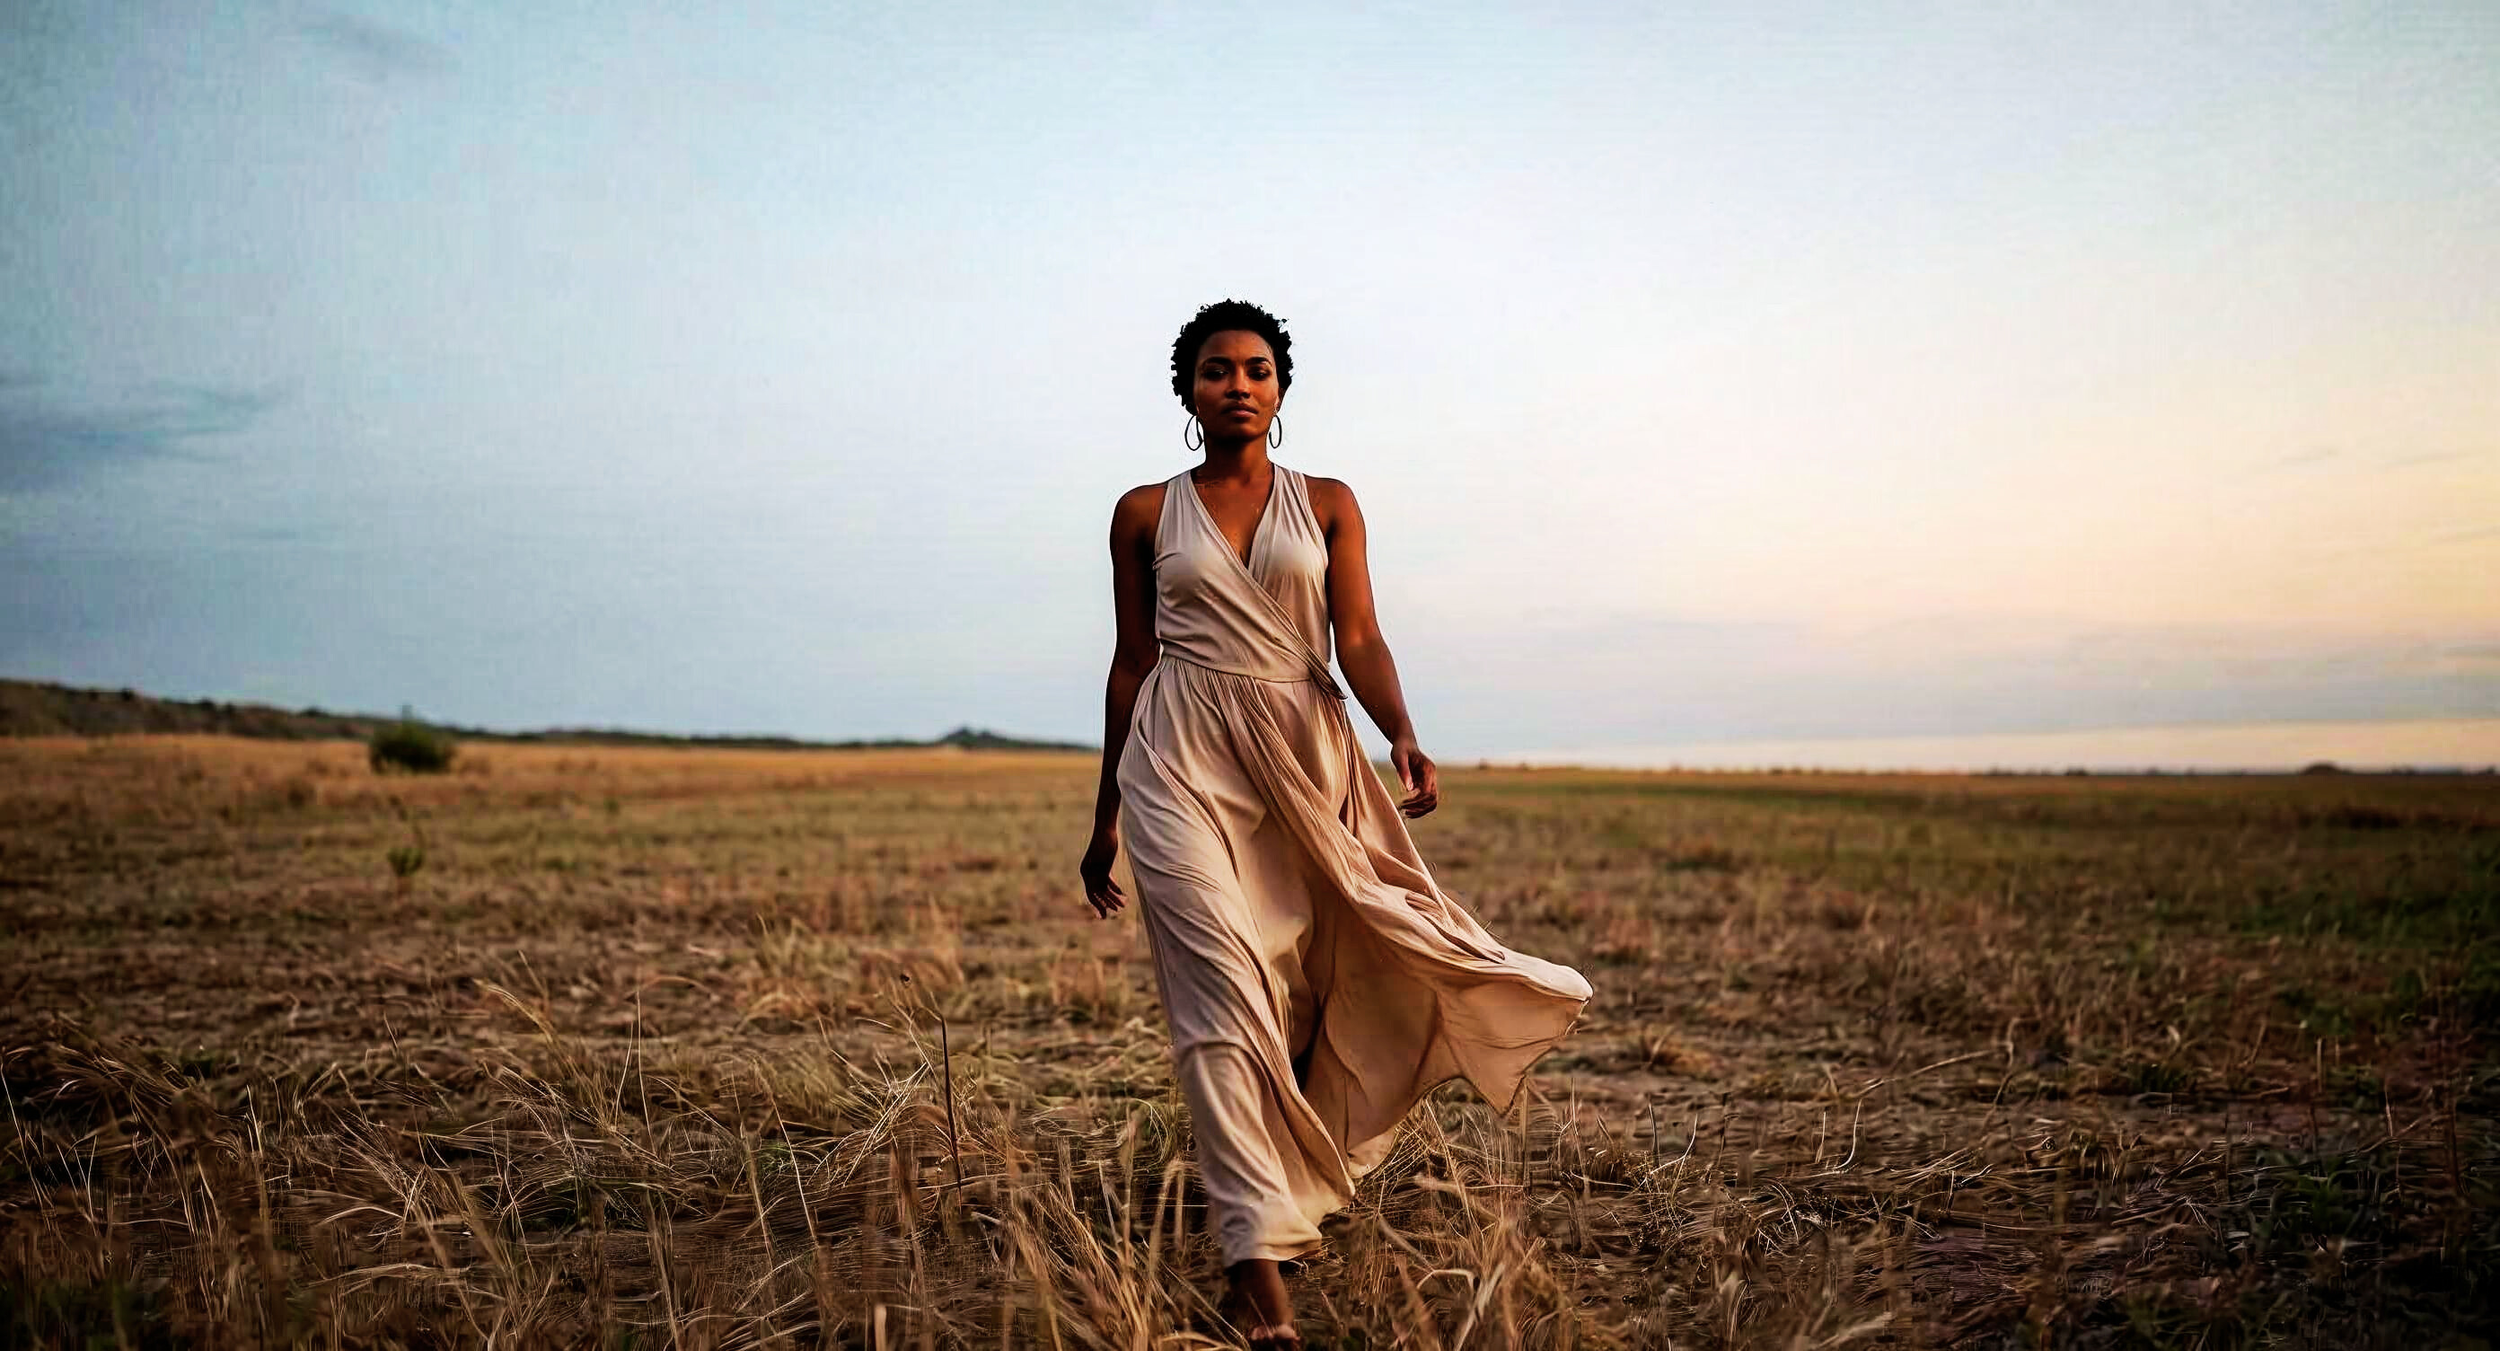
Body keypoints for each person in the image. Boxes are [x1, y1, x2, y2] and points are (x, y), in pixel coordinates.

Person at [1078, 299, 1591, 1347]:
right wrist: (1106, 814)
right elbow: (1131, 666)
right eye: (1216, 370)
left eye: (1257, 369)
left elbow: (1356, 633)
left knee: (1307, 995)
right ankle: (1258, 1274)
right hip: (1180, 755)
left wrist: (1400, 729)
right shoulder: (1141, 511)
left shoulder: (1328, 503)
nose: (1238, 384)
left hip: (1306, 753)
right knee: (1220, 995)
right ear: (1186, 391)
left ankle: (1278, 1196)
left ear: (1280, 388)